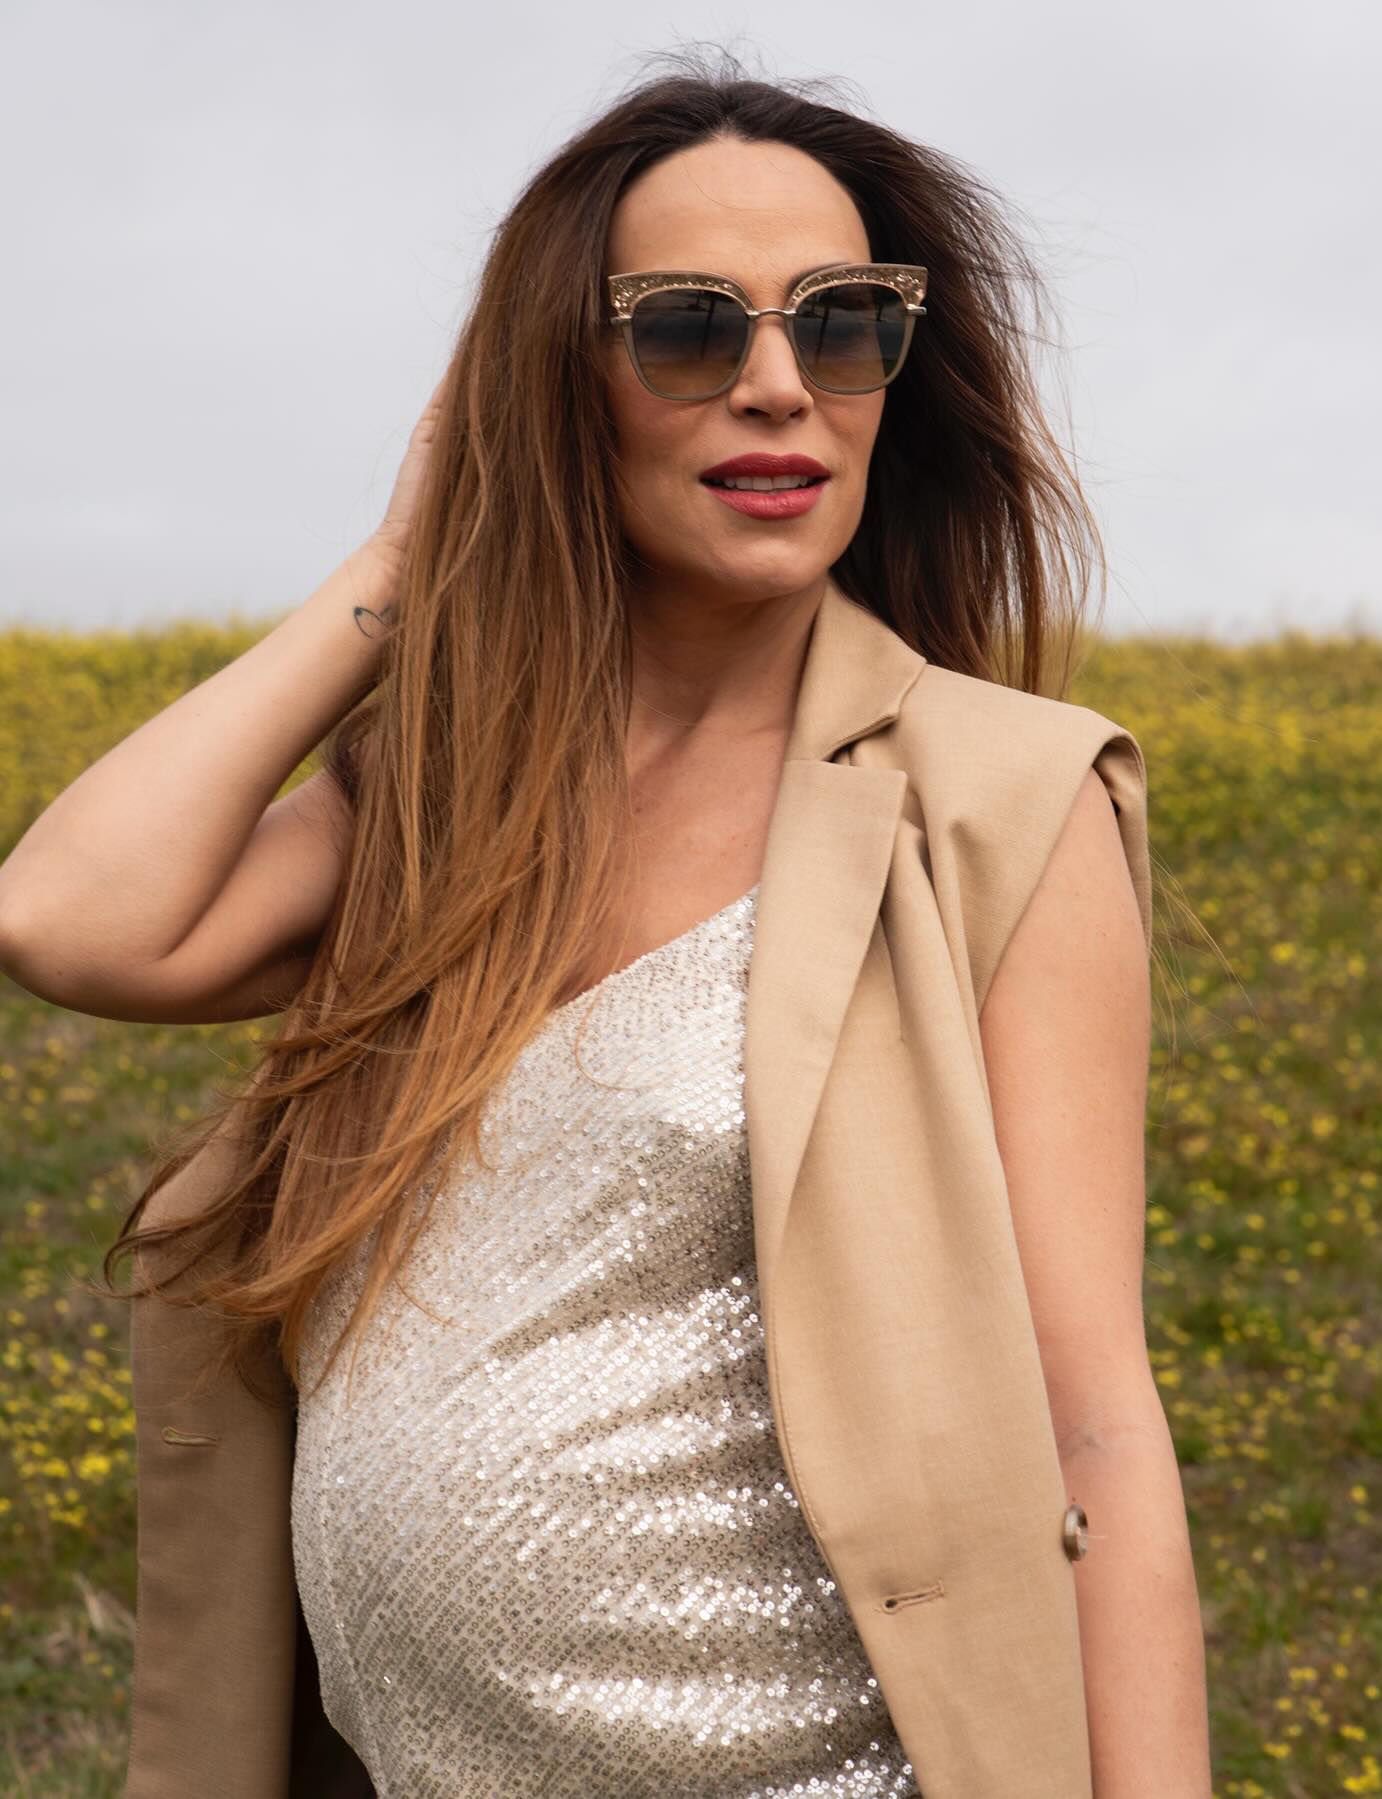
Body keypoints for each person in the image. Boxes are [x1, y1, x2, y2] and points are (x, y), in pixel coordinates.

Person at [0, 52, 1212, 1799]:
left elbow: (1092, 1414)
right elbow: (70, 920)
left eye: (844, 324)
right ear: (563, 382)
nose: (779, 385)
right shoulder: (448, 802)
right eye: (689, 330)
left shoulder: (1002, 800)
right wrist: (402, 566)